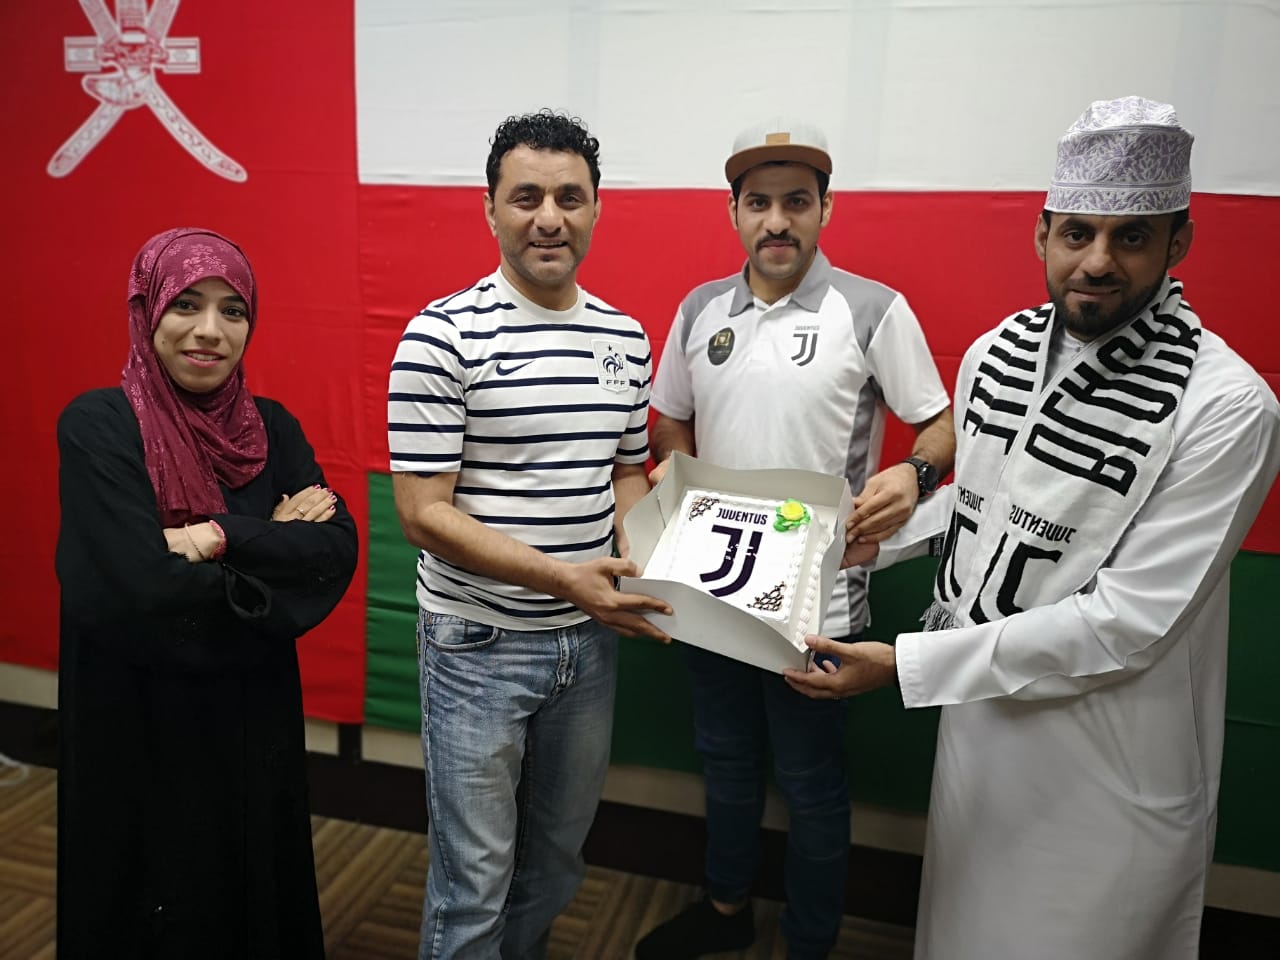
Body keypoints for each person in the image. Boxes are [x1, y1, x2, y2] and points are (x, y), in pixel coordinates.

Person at [784, 96, 1280, 959]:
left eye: (1132, 236)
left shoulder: (1227, 407)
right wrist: (883, 540)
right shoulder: (997, 353)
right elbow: (991, 506)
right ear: (1042, 233)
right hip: (978, 725)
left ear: (1178, 242)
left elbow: (1130, 622)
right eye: (1077, 232)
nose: (1098, 261)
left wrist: (903, 664)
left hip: (1107, 762)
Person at [636, 120, 956, 960]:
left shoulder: (872, 309)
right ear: (735, 213)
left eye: (796, 203)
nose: (777, 221)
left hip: (819, 603)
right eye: (759, 203)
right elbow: (668, 420)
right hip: (712, 588)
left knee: (812, 785)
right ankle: (726, 909)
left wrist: (915, 474)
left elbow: (940, 425)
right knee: (726, 762)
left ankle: (810, 941)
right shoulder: (700, 310)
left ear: (824, 209)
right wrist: (675, 470)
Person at [387, 109, 672, 960]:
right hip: (476, 646)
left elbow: (625, 473)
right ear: (490, 210)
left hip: (589, 642)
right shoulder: (440, 336)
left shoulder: (625, 337)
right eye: (526, 197)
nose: (549, 217)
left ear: (596, 208)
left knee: (554, 864)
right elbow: (423, 514)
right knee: (473, 886)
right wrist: (564, 578)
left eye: (569, 198)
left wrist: (647, 559)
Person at [56, 227, 359, 959]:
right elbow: (141, 584)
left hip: (250, 715)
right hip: (137, 716)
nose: (210, 331)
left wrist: (213, 536)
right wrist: (268, 541)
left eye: (233, 310)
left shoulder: (271, 429)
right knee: (147, 895)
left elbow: (332, 553)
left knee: (251, 885)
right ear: (147, 310)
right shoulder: (99, 425)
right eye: (186, 304)